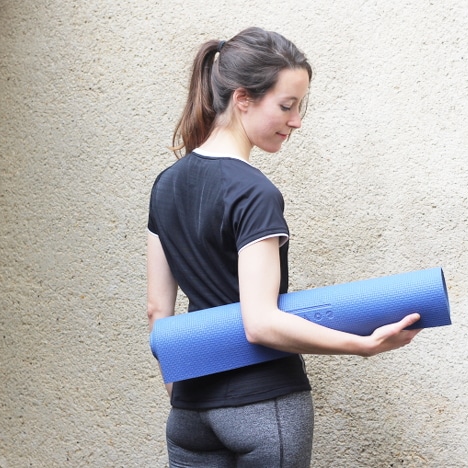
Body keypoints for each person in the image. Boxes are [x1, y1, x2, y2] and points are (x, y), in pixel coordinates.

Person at [146, 26, 422, 467]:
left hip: (189, 413)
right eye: (287, 106)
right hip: (265, 405)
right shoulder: (253, 193)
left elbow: (158, 314)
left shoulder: (166, 185)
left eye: (300, 107)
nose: (296, 121)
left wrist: (183, 395)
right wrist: (363, 345)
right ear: (242, 99)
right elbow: (261, 323)